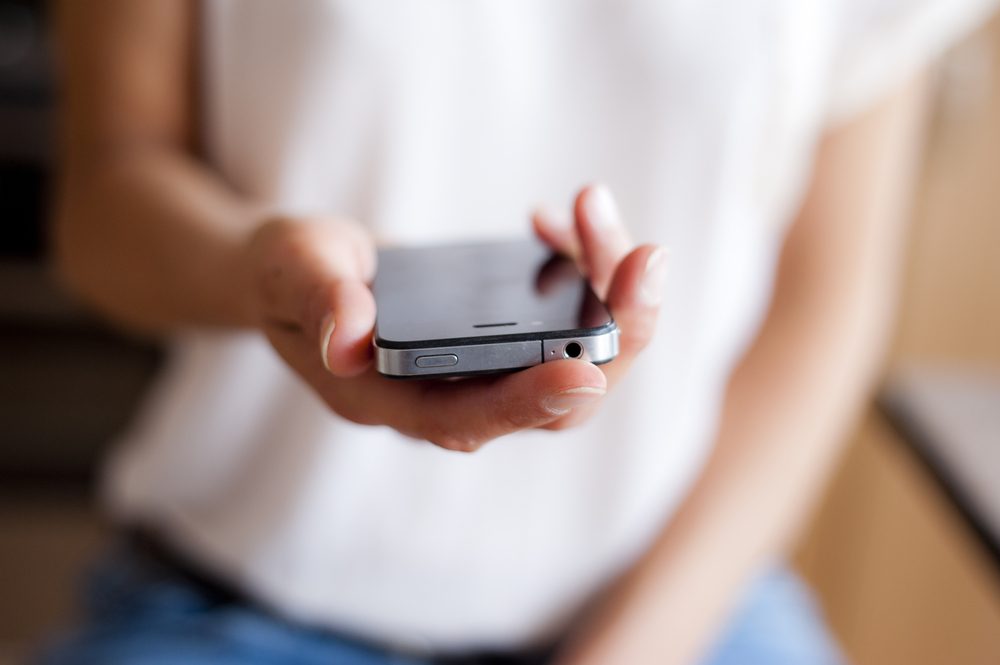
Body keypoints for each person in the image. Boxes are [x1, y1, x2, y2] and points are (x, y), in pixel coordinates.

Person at [39, 1, 996, 663]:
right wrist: (263, 273)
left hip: (681, 605)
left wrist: (631, 652)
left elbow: (821, 306)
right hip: (244, 593)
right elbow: (107, 193)